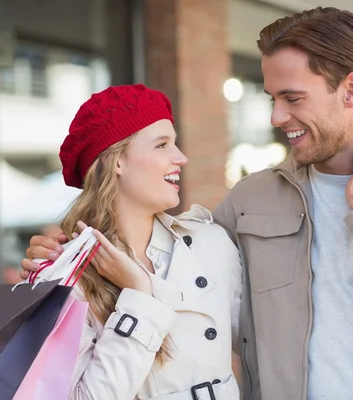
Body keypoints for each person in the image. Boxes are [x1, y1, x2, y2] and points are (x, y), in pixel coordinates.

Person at [21, 7, 353, 400]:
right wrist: (66, 252)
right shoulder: (250, 200)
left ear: (352, 90)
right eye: (272, 98)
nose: (277, 116)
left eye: (292, 98)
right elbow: (178, 276)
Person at [25, 84, 242, 399]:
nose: (180, 157)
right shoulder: (65, 276)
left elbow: (260, 346)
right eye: (161, 145)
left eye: (175, 143)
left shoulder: (211, 243)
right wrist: (139, 297)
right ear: (116, 161)